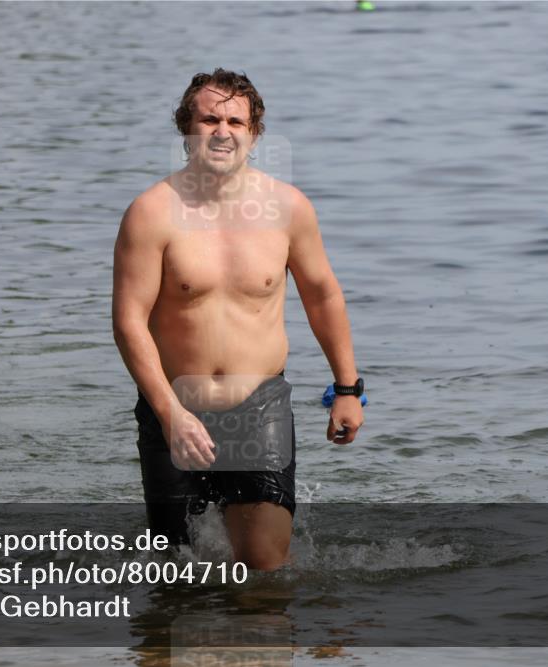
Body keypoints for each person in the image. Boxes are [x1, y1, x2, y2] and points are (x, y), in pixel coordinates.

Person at [112, 68, 363, 571]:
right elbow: (128, 323)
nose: (222, 130)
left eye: (235, 120)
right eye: (209, 119)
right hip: (174, 404)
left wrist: (348, 389)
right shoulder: (152, 212)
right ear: (187, 128)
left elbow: (323, 297)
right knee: (177, 573)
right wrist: (170, 414)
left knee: (264, 571)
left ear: (254, 132)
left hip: (259, 405)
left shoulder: (288, 208)